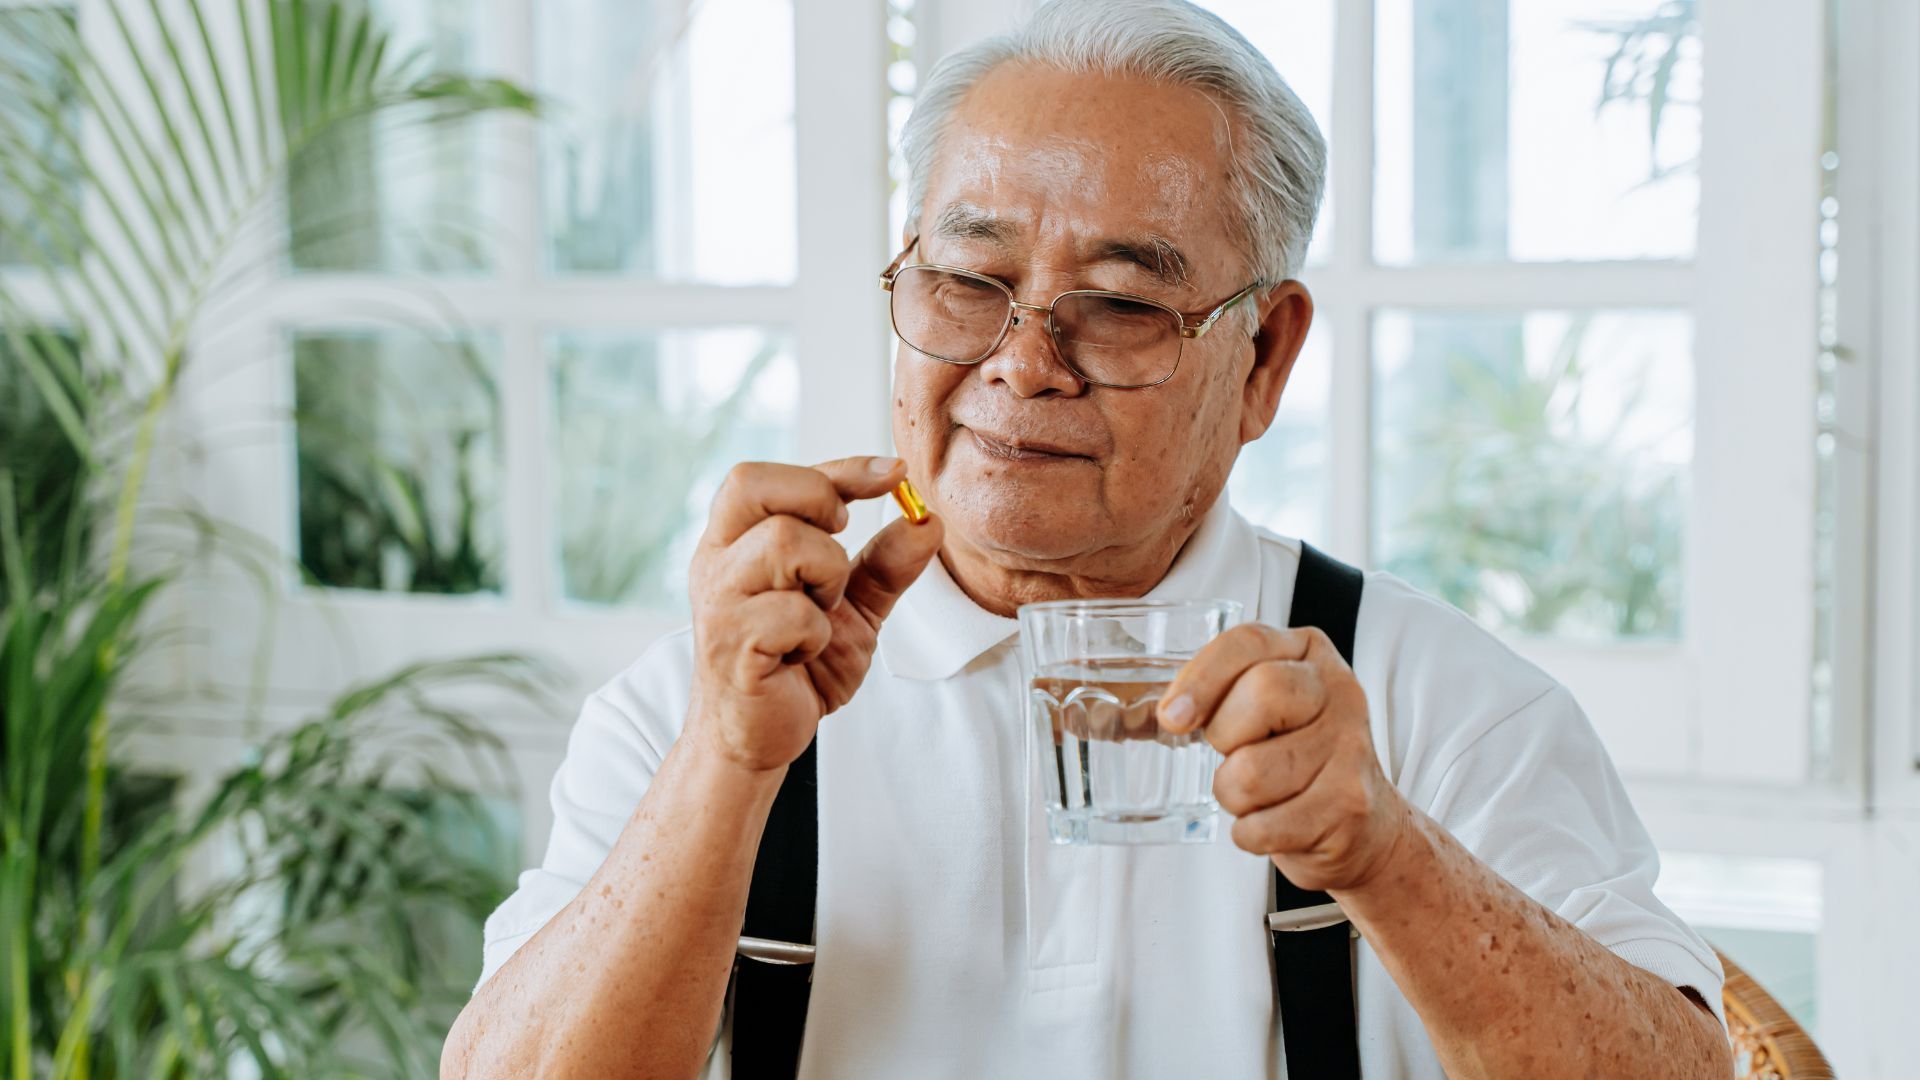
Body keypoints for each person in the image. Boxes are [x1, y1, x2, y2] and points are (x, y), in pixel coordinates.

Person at [441, 1, 1732, 1076]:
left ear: (1264, 358)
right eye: (967, 281)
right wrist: (726, 769)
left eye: (1116, 305)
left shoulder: (1435, 704)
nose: (1022, 364)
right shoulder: (698, 705)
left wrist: (1387, 855)